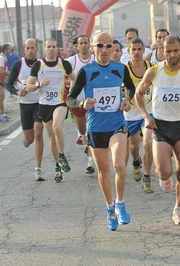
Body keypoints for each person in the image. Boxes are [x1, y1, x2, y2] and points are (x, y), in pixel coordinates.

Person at [135, 35, 180, 225]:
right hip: (161, 126)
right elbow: (138, 94)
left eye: (176, 50)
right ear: (162, 52)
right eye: (168, 51)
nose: (172, 54)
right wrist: (146, 116)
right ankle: (164, 175)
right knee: (163, 173)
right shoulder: (153, 71)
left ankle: (178, 209)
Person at [67, 32, 135, 231]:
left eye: (108, 46)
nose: (104, 50)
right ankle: (110, 207)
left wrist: (127, 100)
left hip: (117, 125)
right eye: (100, 46)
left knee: (119, 164)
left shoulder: (121, 69)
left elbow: (131, 89)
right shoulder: (86, 71)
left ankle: (120, 202)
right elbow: (70, 99)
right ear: (92, 48)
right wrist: (82, 102)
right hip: (96, 128)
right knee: (104, 172)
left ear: (114, 48)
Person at [26, 38, 75, 183]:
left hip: (60, 102)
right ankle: (57, 166)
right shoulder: (38, 65)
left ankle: (62, 155)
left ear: (57, 49)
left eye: (54, 46)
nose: (52, 49)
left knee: (57, 127)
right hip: (44, 104)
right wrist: (39, 85)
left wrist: (71, 92)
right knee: (52, 139)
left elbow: (74, 79)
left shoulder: (63, 63)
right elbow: (28, 87)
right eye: (49, 47)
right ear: (45, 49)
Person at [5, 38, 45, 181]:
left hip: (39, 103)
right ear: (24, 49)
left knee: (39, 133)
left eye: (32, 48)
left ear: (37, 49)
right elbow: (8, 84)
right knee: (30, 138)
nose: (30, 51)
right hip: (24, 104)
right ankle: (27, 140)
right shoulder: (18, 64)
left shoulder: (42, 64)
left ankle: (38, 168)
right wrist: (17, 92)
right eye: (27, 48)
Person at [124, 37, 154, 193]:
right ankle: (136, 162)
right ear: (129, 52)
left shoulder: (151, 68)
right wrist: (125, 99)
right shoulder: (124, 70)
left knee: (147, 143)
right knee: (134, 146)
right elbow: (121, 91)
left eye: (139, 49)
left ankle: (147, 177)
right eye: (133, 49)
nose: (136, 52)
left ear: (144, 50)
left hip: (149, 112)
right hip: (130, 115)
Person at [68, 35, 96, 175]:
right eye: (81, 43)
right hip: (78, 102)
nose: (84, 45)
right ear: (76, 46)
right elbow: (64, 79)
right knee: (83, 131)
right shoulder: (71, 61)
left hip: (92, 102)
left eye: (86, 43)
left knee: (91, 130)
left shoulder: (95, 60)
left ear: (90, 45)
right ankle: (86, 140)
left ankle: (91, 161)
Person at [0, 43, 12, 122]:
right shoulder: (0, 58)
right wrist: (11, 73)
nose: (10, 50)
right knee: (0, 97)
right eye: (9, 49)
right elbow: (1, 71)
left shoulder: (5, 58)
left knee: (2, 97)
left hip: (1, 80)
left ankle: (3, 114)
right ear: (5, 50)